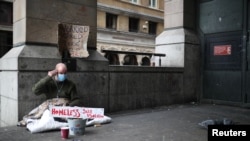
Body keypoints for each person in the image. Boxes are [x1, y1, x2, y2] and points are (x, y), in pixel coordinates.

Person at [17, 63, 82, 126]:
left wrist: (68, 106)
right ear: (56, 72)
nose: (63, 75)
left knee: (75, 117)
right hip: (50, 108)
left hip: (64, 109)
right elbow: (35, 90)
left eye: (65, 73)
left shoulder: (70, 84)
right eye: (61, 73)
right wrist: (49, 76)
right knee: (37, 115)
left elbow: (76, 100)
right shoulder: (49, 83)